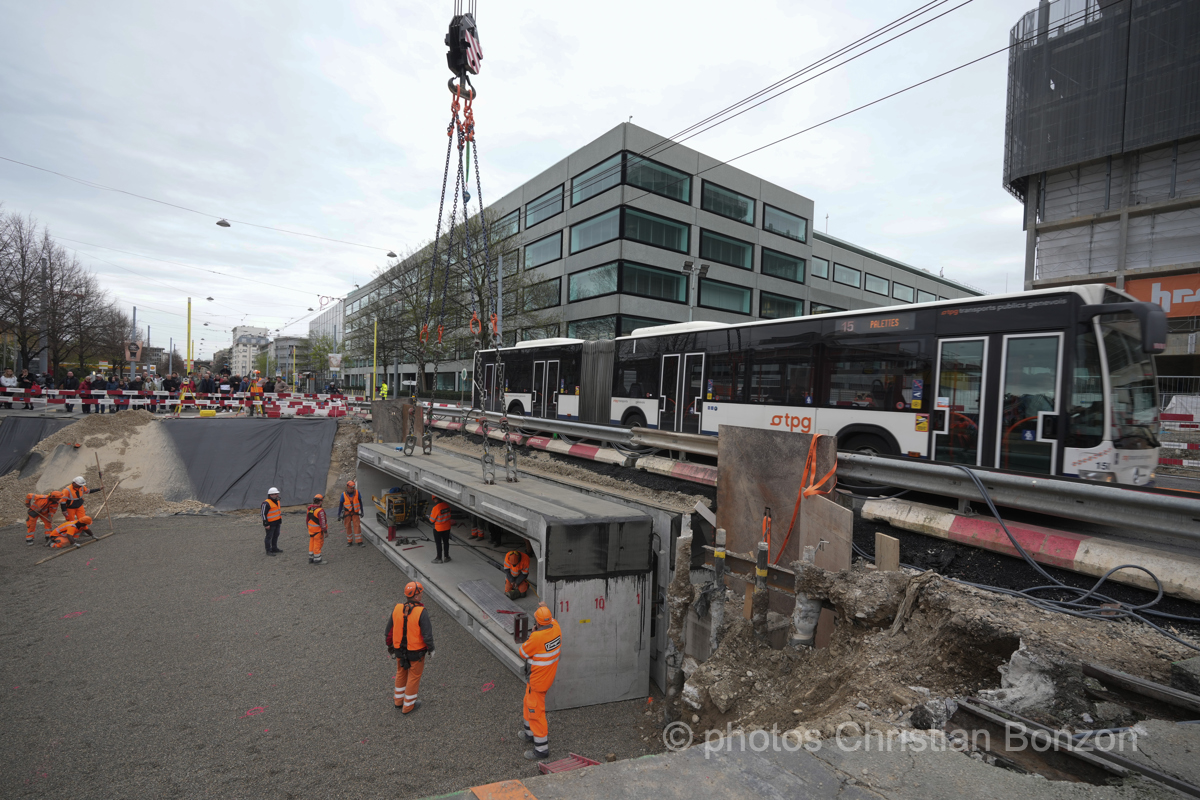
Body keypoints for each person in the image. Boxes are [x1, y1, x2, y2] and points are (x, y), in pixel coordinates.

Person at [518, 604, 562, 761]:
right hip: (544, 678)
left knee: (536, 712)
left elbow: (522, 652)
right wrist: (543, 608)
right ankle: (529, 733)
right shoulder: (556, 627)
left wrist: (533, 632)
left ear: (537, 622)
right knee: (527, 703)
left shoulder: (536, 637)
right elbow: (551, 620)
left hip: (537, 682)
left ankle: (541, 750)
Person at [386, 581, 434, 714]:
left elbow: (388, 631)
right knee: (414, 677)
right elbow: (427, 635)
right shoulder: (421, 612)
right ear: (416, 596)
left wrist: (389, 645)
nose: (422, 595)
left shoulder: (397, 609)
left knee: (401, 673)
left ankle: (398, 701)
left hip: (399, 650)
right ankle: (408, 706)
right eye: (421, 593)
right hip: (416, 652)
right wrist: (431, 649)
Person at [337, 480, 363, 547]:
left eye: (353, 488)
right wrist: (339, 515)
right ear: (347, 487)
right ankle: (349, 541)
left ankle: (359, 541)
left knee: (357, 526)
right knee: (347, 526)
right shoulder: (343, 495)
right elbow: (340, 505)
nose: (352, 489)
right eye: (351, 488)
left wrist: (362, 511)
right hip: (347, 512)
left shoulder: (357, 493)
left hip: (355, 512)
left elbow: (360, 502)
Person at [428, 494, 452, 564]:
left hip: (438, 529)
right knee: (446, 542)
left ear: (435, 499)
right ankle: (446, 557)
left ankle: (439, 558)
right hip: (447, 528)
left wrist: (429, 517)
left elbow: (431, 520)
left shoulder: (436, 508)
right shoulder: (447, 505)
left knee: (438, 543)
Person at [307, 494, 328, 565]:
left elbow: (307, 520)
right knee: (317, 544)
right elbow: (322, 522)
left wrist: (309, 528)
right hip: (318, 531)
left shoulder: (310, 509)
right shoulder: (320, 511)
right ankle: (317, 560)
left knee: (312, 543)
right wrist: (325, 531)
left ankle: (311, 558)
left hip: (311, 530)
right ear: (320, 502)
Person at [261, 487, 283, 555]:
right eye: (275, 494)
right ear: (271, 495)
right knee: (269, 537)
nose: (277, 495)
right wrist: (266, 524)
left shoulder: (277, 501)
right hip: (270, 523)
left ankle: (274, 548)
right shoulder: (266, 503)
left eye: (277, 494)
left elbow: (277, 511)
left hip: (277, 522)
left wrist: (279, 520)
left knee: (276, 535)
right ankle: (268, 550)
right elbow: (263, 514)